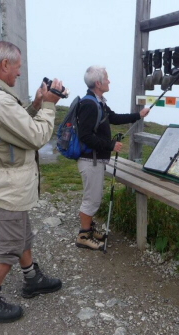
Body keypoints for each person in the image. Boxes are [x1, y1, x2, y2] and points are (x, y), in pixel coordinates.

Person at [0, 41, 63, 324]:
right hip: (6, 186)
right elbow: (36, 137)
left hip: (6, 181)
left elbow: (13, 127)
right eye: (18, 67)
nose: (19, 74)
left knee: (21, 234)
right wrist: (49, 106)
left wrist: (34, 105)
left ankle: (32, 278)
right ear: (5, 65)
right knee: (8, 245)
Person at [76, 66, 150, 250]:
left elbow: (114, 118)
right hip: (89, 159)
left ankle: (89, 230)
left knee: (95, 196)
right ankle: (83, 236)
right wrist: (110, 145)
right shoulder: (89, 105)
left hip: (95, 159)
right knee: (91, 198)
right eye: (107, 79)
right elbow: (84, 136)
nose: (110, 81)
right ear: (98, 83)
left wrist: (138, 115)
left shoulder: (98, 101)